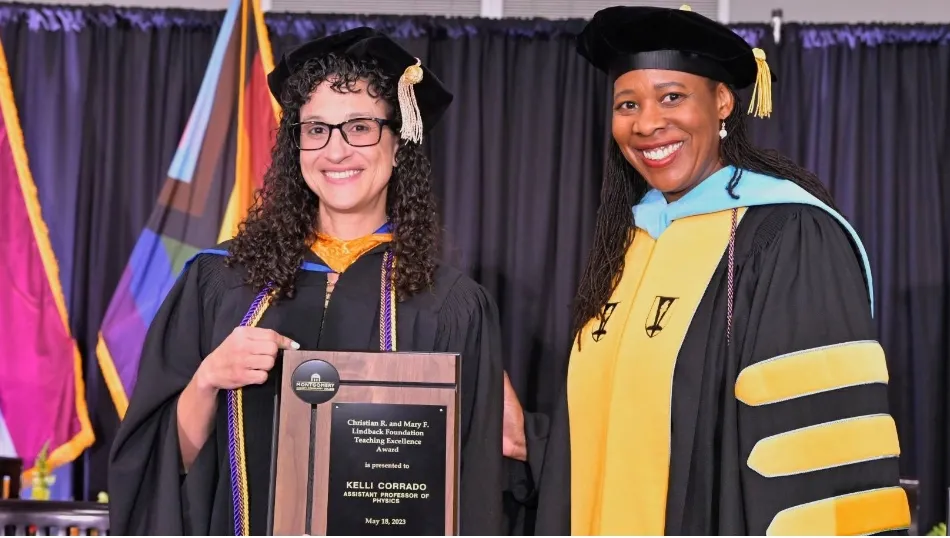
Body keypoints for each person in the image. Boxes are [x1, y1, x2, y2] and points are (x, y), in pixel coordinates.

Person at [108, 27, 528, 535]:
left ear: (398, 145)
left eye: (359, 127)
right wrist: (208, 378)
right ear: (297, 145)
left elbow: (473, 497)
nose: (335, 150)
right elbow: (160, 467)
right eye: (316, 129)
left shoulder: (452, 305)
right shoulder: (219, 281)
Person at [533, 5, 910, 536]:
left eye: (672, 97)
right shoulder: (628, 243)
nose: (646, 123)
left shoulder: (787, 235)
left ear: (723, 102)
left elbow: (815, 461)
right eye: (627, 104)